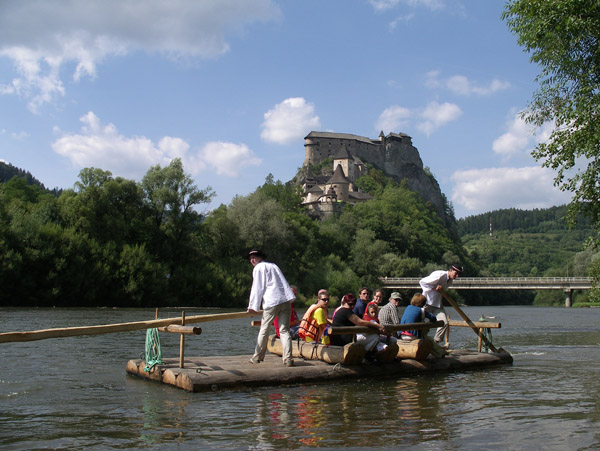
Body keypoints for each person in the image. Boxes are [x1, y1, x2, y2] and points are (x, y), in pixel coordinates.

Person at [247, 250, 296, 367]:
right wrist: (290, 297)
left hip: (273, 301)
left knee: (265, 328)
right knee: (284, 330)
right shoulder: (273, 266)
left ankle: (257, 357)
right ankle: (288, 359)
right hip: (285, 300)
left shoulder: (259, 268)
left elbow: (257, 287)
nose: (252, 260)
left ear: (260, 258)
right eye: (250, 258)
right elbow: (283, 283)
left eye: (254, 257)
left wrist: (253, 307)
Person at [419, 264, 463, 345]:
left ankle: (435, 342)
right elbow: (422, 282)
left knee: (444, 323)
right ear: (451, 270)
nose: (457, 276)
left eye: (459, 274)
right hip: (427, 303)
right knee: (419, 321)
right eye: (456, 273)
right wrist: (434, 287)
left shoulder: (450, 281)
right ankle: (419, 340)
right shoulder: (439, 275)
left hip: (437, 305)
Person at [400, 293, 446, 358]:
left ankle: (440, 352)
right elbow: (433, 318)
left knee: (427, 339)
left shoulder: (408, 307)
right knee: (429, 340)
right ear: (423, 302)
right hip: (412, 336)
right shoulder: (421, 310)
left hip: (402, 335)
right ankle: (440, 353)